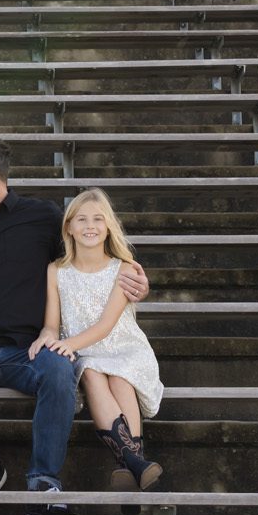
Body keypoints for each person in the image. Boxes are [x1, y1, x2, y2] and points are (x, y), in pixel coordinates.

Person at [0, 132, 148, 515]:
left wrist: (131, 282)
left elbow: (85, 262)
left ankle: (44, 485)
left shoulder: (42, 217)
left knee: (61, 371)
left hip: (29, 348)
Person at [31, 188, 165, 491]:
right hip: (87, 353)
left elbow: (106, 325)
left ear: (108, 227)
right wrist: (47, 337)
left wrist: (68, 345)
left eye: (97, 219)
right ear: (68, 227)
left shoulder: (125, 269)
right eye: (81, 219)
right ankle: (136, 466)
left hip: (122, 347)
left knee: (120, 379)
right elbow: (52, 324)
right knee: (90, 371)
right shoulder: (57, 271)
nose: (89, 226)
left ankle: (131, 465)